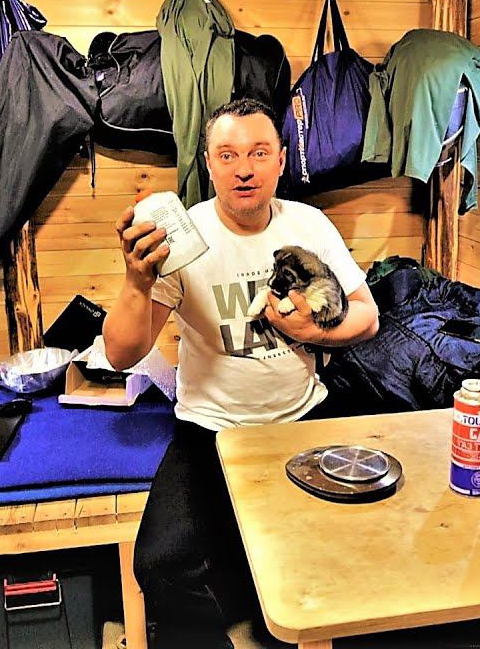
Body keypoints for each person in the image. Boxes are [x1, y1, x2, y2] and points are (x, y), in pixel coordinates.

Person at [103, 98, 380, 648]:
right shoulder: (183, 239)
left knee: (335, 551)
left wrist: (313, 332)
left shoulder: (309, 224)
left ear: (281, 160)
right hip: (211, 428)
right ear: (209, 164)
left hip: (301, 419)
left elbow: (367, 316)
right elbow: (120, 354)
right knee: (160, 564)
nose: (244, 169)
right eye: (228, 155)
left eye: (258, 153)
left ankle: (285, 627)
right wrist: (136, 282)